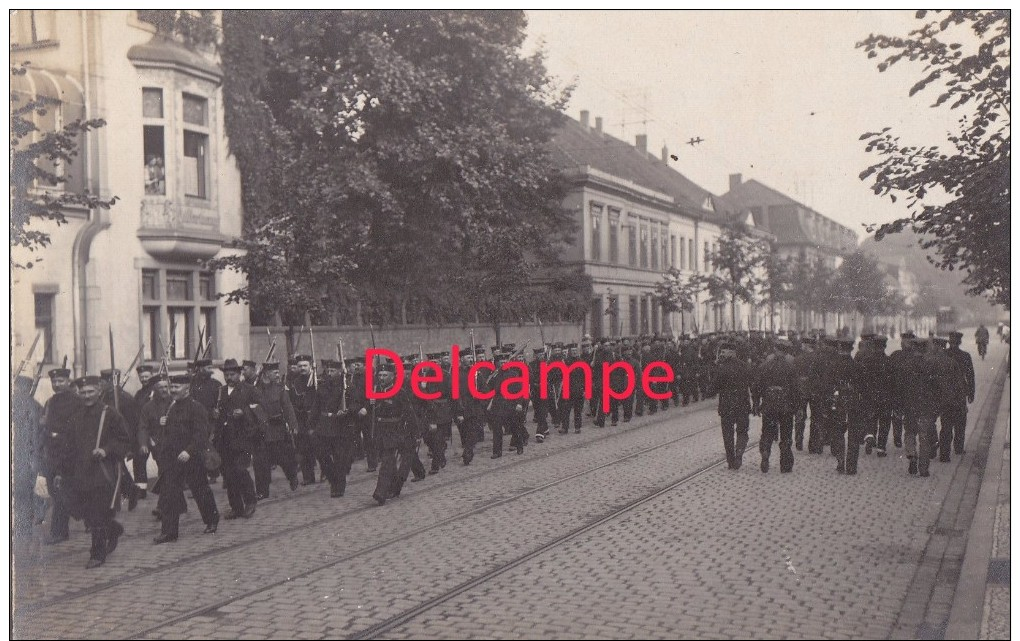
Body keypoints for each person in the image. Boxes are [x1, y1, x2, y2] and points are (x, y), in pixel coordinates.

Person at [55, 375, 132, 568]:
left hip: (102, 472)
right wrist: (59, 471)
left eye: (90, 392)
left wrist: (106, 450)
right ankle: (112, 529)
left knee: (96, 513)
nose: (87, 396)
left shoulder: (110, 413)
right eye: (83, 392)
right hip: (80, 473)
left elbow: (123, 439)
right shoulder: (75, 417)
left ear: (98, 392)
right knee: (84, 513)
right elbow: (67, 447)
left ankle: (97, 554)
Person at [151, 375, 220, 543]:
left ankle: (211, 520)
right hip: (173, 459)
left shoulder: (197, 408)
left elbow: (201, 434)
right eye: (171, 387)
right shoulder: (171, 408)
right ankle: (169, 532)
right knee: (169, 494)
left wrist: (189, 451)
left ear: (186, 389)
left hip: (192, 458)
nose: (172, 390)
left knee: (200, 490)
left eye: (176, 387)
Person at [213, 359, 263, 519]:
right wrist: (214, 415)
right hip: (224, 439)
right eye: (226, 375)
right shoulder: (221, 391)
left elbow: (262, 410)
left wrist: (245, 413)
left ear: (239, 374)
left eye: (232, 374)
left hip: (243, 437)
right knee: (228, 474)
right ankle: (236, 507)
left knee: (240, 470)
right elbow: (217, 411)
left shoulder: (249, 390)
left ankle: (250, 501)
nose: (229, 378)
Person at [367, 363, 420, 505]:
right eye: (380, 375)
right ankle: (395, 487)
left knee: (387, 461)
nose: (382, 378)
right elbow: (372, 414)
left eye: (385, 375)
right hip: (380, 431)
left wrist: (416, 432)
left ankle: (380, 492)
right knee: (389, 462)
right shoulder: (375, 390)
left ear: (392, 377)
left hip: (395, 431)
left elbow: (410, 413)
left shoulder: (399, 392)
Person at [40, 367, 82, 544]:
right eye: (54, 382)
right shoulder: (50, 402)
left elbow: (78, 427)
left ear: (68, 381)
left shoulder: (77, 401)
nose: (57, 384)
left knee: (61, 492)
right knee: (55, 491)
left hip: (69, 452)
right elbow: (44, 423)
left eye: (61, 381)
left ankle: (59, 531)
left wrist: (60, 435)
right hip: (52, 453)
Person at [253, 363, 300, 498]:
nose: (278, 375)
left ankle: (292, 476)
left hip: (277, 430)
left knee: (283, 458)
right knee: (260, 461)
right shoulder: (255, 390)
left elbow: (288, 407)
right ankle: (262, 491)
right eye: (275, 372)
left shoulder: (280, 389)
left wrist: (293, 425)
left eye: (278, 372)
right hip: (261, 431)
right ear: (266, 374)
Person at [752, 340, 797, 473]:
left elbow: (756, 387)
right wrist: (797, 406)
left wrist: (756, 403)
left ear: (775, 350)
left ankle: (765, 450)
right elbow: (796, 389)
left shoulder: (764, 366)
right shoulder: (790, 367)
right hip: (785, 406)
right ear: (785, 352)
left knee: (767, 432)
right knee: (786, 434)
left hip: (769, 404)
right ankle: (785, 463)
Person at [714, 342, 753, 470]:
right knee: (742, 431)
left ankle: (731, 460)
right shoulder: (745, 366)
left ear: (731, 353)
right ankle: (739, 452)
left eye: (723, 352)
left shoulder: (721, 368)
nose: (721, 354)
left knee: (727, 434)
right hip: (742, 404)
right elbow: (752, 384)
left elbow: (712, 388)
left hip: (726, 406)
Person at [942, 331, 975, 459]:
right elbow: (970, 376)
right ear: (959, 342)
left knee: (946, 423)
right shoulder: (966, 356)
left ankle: (945, 453)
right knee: (960, 422)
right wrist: (971, 393)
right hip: (960, 394)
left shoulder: (944, 354)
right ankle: (958, 448)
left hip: (946, 394)